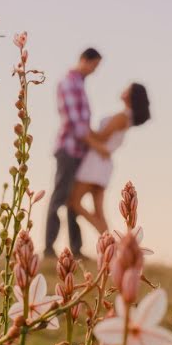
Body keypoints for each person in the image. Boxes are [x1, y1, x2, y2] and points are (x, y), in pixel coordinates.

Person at [44, 48, 103, 258]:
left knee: (73, 200)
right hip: (68, 149)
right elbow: (74, 123)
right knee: (59, 197)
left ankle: (76, 249)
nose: (94, 71)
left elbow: (84, 124)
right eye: (94, 66)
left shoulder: (79, 85)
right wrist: (96, 145)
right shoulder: (69, 83)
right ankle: (49, 248)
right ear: (84, 61)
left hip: (80, 152)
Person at [69, 83, 151, 235]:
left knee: (74, 201)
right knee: (99, 212)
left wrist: (82, 129)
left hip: (95, 162)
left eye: (127, 88)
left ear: (130, 96)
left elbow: (101, 137)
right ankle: (112, 245)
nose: (123, 89)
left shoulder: (122, 116)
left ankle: (111, 241)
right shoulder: (127, 117)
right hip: (103, 162)